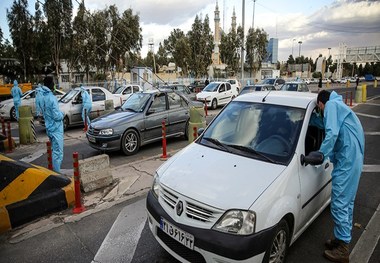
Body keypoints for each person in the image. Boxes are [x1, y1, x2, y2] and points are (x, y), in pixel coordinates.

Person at [308, 90, 365, 263]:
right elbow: (325, 124)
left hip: (347, 160)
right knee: (347, 203)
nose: (321, 112)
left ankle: (343, 249)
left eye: (319, 109)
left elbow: (331, 133)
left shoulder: (331, 105)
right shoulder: (337, 105)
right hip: (352, 158)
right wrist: (309, 119)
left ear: (320, 104)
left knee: (340, 203)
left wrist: (320, 155)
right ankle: (342, 239)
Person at [41, 77, 64, 173]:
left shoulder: (43, 97)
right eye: (53, 82)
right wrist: (62, 114)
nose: (54, 84)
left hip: (49, 127)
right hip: (56, 128)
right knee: (58, 153)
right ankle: (57, 175)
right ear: (50, 84)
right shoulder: (51, 98)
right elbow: (56, 115)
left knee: (54, 151)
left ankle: (55, 172)